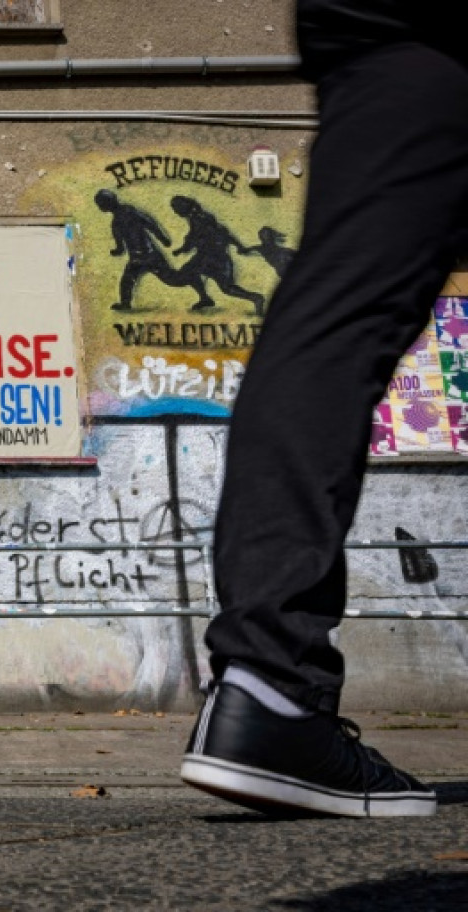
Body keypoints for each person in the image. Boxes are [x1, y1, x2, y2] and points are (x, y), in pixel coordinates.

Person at [180, 1, 466, 817]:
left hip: (378, 33)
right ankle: (272, 687)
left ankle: (269, 687)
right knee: (337, 317)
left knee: (334, 314)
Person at [95, 189, 190, 312]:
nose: (100, 207)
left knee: (172, 280)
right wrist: (117, 251)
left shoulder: (130, 212)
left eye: (100, 204)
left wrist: (162, 238)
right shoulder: (116, 222)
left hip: (151, 256)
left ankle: (196, 282)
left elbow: (149, 223)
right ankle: (125, 304)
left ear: (107, 203)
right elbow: (120, 244)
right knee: (127, 281)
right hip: (136, 259)